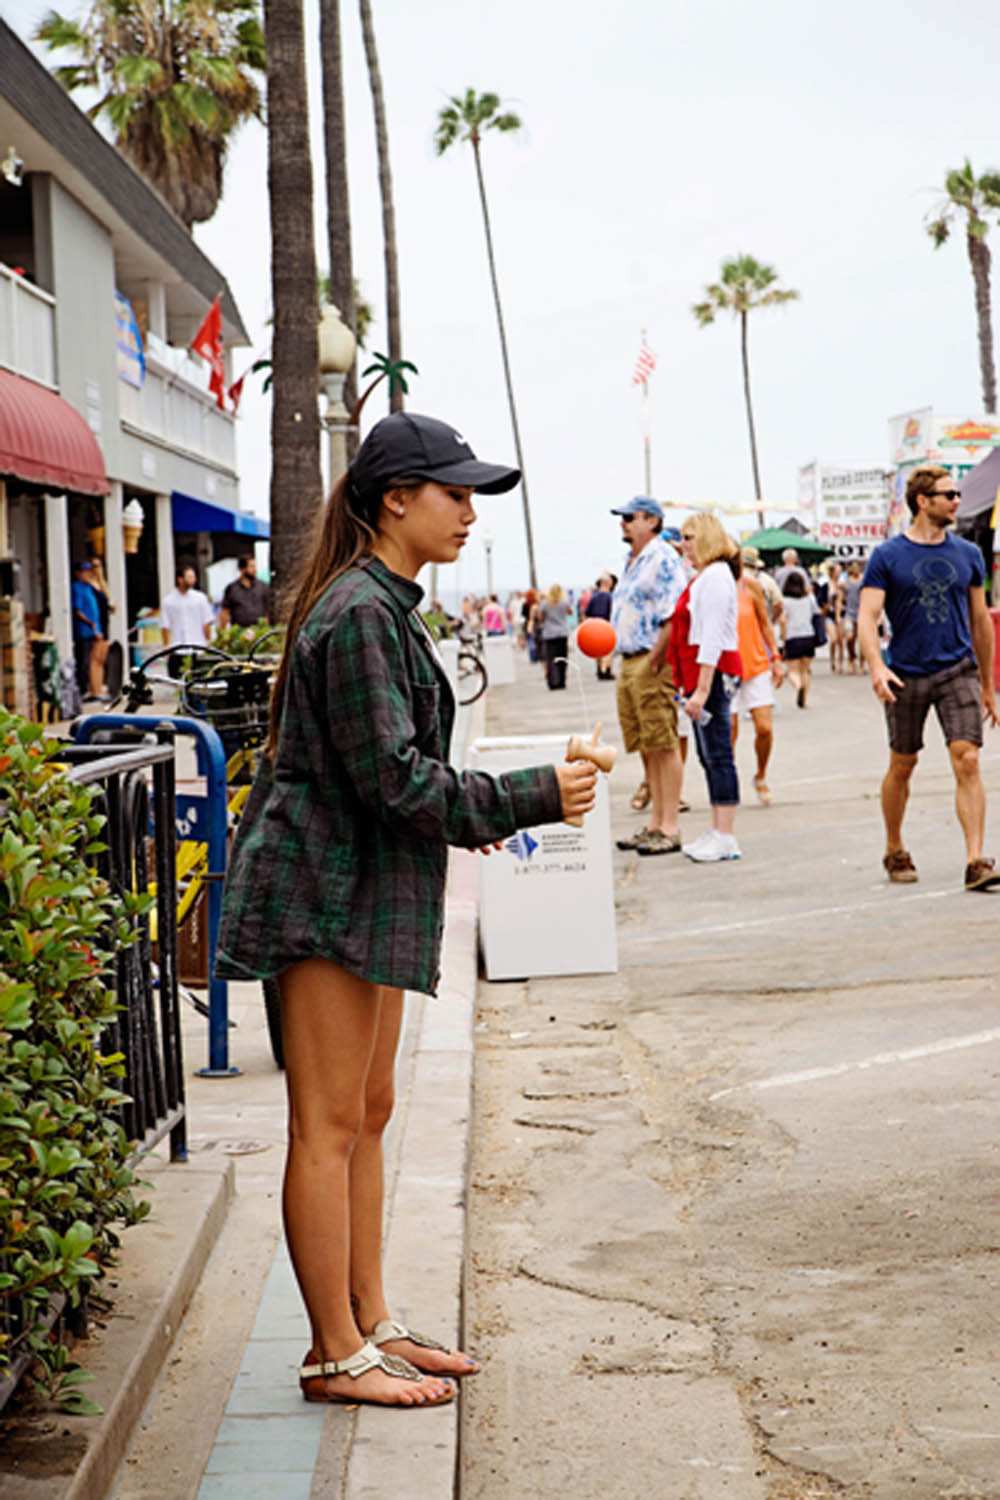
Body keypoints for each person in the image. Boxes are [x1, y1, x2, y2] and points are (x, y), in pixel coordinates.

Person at [216, 412, 598, 1410]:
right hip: (324, 892)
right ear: (396, 499)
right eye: (454, 493)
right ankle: (334, 1353)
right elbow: (393, 780)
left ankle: (370, 1319)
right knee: (327, 1125)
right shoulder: (359, 614)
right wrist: (534, 796)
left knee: (368, 1115)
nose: (469, 512)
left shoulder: (380, 604)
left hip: (362, 890)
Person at [857, 464, 999, 891]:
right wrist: (877, 666)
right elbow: (867, 615)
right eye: (949, 494)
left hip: (957, 669)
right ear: (923, 501)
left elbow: (981, 620)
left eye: (957, 494)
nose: (957, 500)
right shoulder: (888, 556)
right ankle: (895, 846)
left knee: (968, 758)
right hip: (905, 673)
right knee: (903, 763)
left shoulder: (967, 555)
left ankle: (976, 860)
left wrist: (989, 685)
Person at [609, 497, 687, 856]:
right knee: (646, 743)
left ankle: (669, 825)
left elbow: (673, 613)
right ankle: (655, 821)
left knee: (663, 739)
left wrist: (657, 657)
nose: (623, 523)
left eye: (630, 517)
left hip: (649, 657)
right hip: (630, 659)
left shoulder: (663, 557)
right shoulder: (634, 561)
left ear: (652, 520)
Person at [669, 515, 743, 861]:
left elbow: (710, 636)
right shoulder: (707, 576)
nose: (684, 543)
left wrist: (701, 689)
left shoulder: (715, 577)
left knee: (718, 754)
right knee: (709, 755)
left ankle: (725, 834)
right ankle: (719, 829)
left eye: (689, 537)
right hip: (703, 672)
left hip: (712, 672)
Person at [731, 564, 784, 805]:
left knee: (764, 728)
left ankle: (761, 775)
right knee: (728, 733)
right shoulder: (709, 585)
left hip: (755, 664)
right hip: (726, 669)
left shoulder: (750, 584)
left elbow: (765, 623)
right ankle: (727, 783)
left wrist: (775, 657)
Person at [781, 572, 817, 707]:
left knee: (792, 671)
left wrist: (783, 637)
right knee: (806, 670)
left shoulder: (785, 601)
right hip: (808, 635)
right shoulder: (809, 599)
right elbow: (816, 613)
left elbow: (783, 620)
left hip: (793, 636)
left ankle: (798, 686)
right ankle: (804, 699)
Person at [71, 560, 103, 699]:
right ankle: (83, 690)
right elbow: (77, 611)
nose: (88, 574)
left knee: (93, 660)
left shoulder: (89, 587)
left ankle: (94, 689)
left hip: (94, 630)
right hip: (84, 630)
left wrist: (98, 578)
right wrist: (91, 623)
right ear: (78, 573)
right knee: (83, 661)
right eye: (85, 572)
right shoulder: (76, 587)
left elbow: (103, 594)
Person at [162, 565, 214, 647]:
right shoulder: (168, 601)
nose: (193, 580)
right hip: (177, 647)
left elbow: (207, 622)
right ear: (180, 579)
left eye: (193, 577)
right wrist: (166, 646)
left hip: (198, 646)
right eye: (189, 577)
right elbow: (165, 626)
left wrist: (208, 642)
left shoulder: (201, 598)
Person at [87, 555, 115, 699]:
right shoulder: (89, 585)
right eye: (94, 566)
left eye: (99, 566)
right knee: (95, 658)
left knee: (102, 657)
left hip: (105, 622)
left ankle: (100, 687)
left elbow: (109, 602)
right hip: (96, 623)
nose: (96, 569)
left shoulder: (102, 584)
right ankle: (95, 689)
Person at [219, 555, 271, 629]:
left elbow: (266, 613)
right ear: (242, 569)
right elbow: (225, 613)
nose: (255, 569)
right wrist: (222, 633)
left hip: (259, 633)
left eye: (255, 566)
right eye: (251, 566)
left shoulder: (262, 587)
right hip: (239, 634)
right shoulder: (231, 589)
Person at [585, 572, 617, 680]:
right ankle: (605, 670)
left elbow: (587, 612)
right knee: (608, 650)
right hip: (607, 625)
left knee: (597, 649)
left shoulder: (594, 597)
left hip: (594, 625)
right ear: (609, 584)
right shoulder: (610, 597)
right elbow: (613, 612)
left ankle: (599, 669)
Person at [538, 584, 571, 689]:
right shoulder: (564, 602)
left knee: (551, 659)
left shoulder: (545, 603)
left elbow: (540, 617)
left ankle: (553, 682)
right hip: (562, 633)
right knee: (562, 658)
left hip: (549, 634)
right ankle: (562, 681)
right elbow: (570, 612)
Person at [825, 561, 846, 673]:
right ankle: (832, 660)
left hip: (841, 615)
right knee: (833, 639)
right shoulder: (826, 584)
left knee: (841, 641)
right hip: (829, 615)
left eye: (840, 572)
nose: (838, 574)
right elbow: (821, 600)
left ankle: (840, 663)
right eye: (837, 571)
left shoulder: (842, 585)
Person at [843, 561, 864, 672]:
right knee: (850, 637)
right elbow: (840, 597)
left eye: (858, 567)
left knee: (862, 640)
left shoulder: (863, 580)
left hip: (861, 612)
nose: (856, 569)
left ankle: (861, 664)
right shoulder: (846, 582)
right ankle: (852, 659)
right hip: (849, 613)